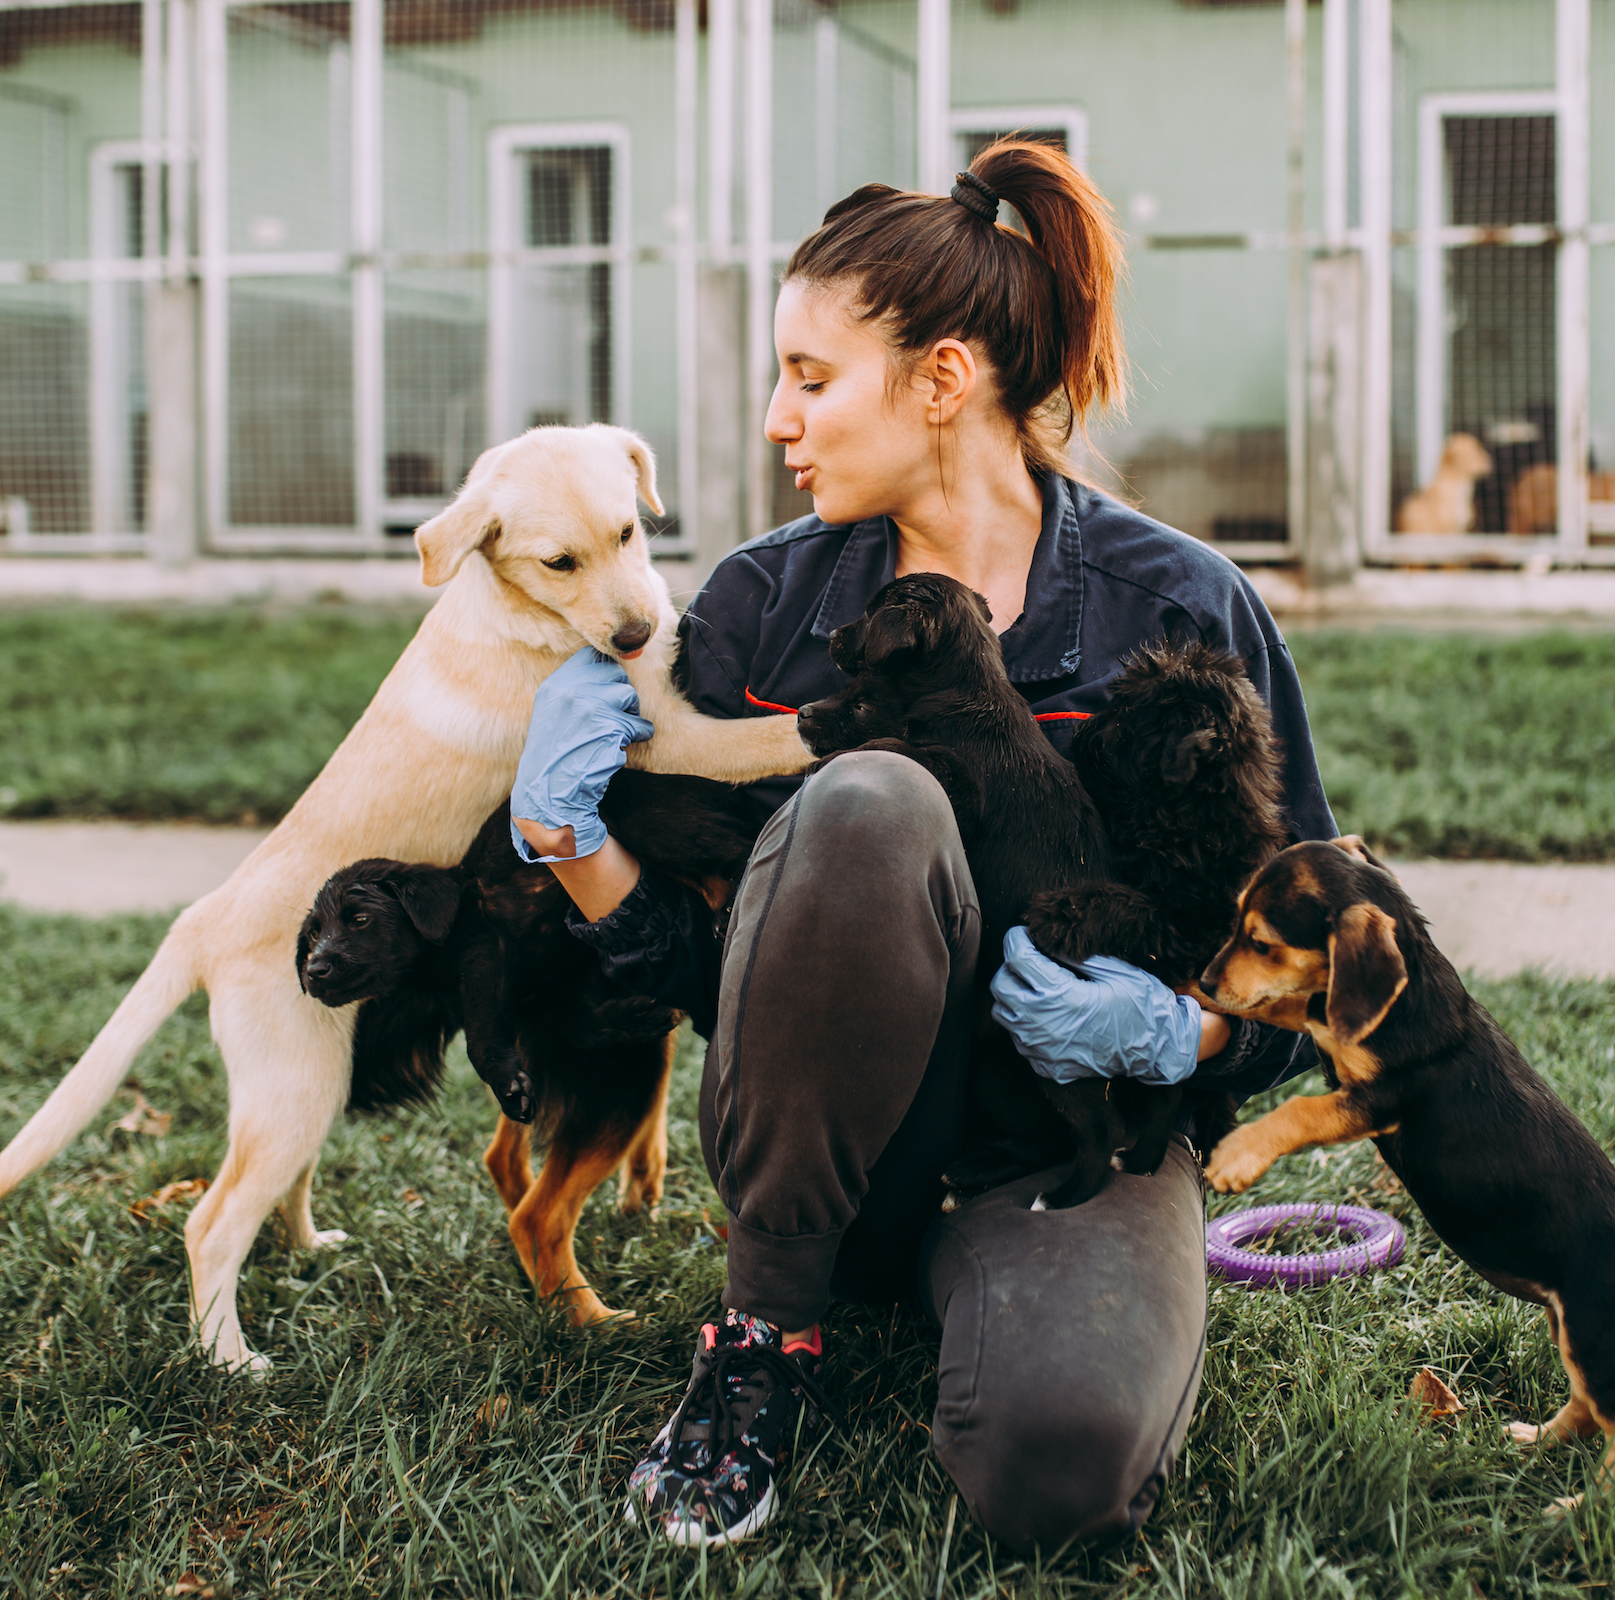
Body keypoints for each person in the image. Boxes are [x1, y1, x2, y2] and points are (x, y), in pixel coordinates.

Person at [505, 141, 1338, 1554]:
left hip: (1062, 1157)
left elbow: (1310, 960)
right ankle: (765, 1334)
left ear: (944, 380)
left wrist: (1179, 1043)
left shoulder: (1181, 610)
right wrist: (565, 836)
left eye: (813, 379)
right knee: (874, 799)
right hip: (825, 1162)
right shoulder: (764, 609)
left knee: (1063, 1473)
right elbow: (717, 982)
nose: (780, 418)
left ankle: (1000, 1311)